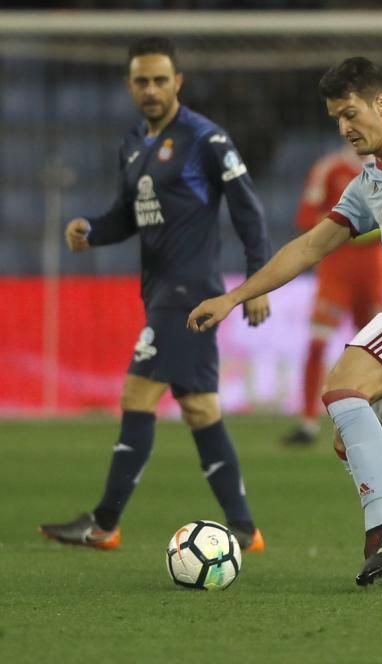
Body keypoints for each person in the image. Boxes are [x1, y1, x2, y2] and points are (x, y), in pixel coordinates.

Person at [187, 57, 382, 587]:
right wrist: (234, 296)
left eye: (351, 113)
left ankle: (379, 528)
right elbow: (312, 245)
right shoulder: (367, 183)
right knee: (354, 440)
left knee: (341, 389)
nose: (344, 127)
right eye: (336, 118)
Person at [39, 37, 271, 554]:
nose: (150, 89)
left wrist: (257, 279)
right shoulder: (133, 145)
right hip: (161, 291)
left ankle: (103, 524)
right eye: (141, 81)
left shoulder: (205, 139)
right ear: (129, 86)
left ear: (178, 82)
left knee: (137, 395)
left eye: (160, 80)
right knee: (200, 409)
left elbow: (248, 208)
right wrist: (91, 231)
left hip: (188, 294)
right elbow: (127, 214)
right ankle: (243, 529)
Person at [281, 147, 382, 446]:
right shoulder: (329, 168)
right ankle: (307, 423)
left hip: (373, 269)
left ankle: (376, 421)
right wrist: (347, 226)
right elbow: (306, 217)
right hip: (336, 269)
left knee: (375, 349)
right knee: (317, 343)